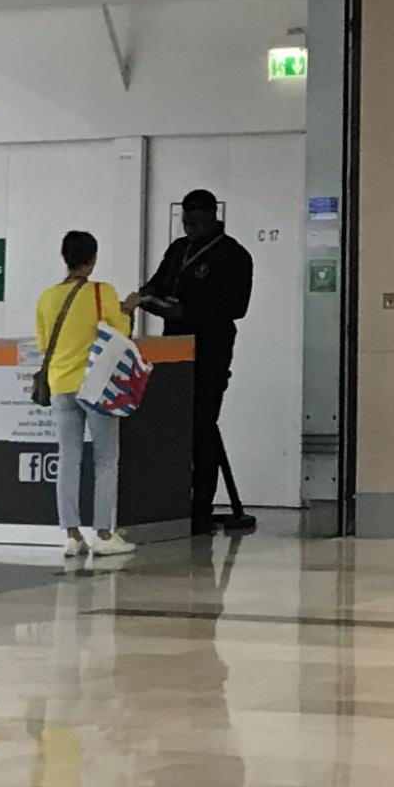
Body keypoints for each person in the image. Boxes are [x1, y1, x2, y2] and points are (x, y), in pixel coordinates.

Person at [129, 189, 254, 533]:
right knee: (174, 425)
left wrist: (187, 311)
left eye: (197, 223)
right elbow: (158, 283)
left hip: (211, 350)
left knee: (202, 425)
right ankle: (172, 502)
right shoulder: (177, 249)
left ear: (213, 217)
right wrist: (145, 296)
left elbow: (237, 307)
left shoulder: (234, 255)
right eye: (186, 223)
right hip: (175, 350)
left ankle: (201, 507)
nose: (191, 229)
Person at [36, 230, 135, 558]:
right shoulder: (102, 292)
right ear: (92, 259)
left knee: (68, 458)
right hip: (97, 385)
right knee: (106, 459)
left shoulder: (47, 298)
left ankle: (71, 535)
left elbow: (43, 344)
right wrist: (128, 310)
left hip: (60, 385)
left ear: (65, 258)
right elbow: (120, 333)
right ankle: (104, 533)